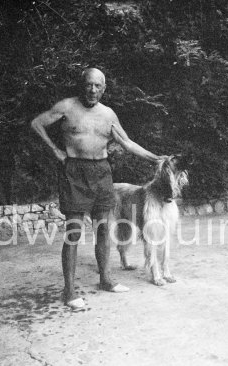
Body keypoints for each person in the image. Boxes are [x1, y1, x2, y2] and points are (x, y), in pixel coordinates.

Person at [31, 68, 163, 310]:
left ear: (104, 89)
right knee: (73, 232)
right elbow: (37, 123)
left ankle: (106, 280)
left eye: (97, 86)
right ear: (82, 85)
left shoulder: (108, 114)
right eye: (88, 85)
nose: (92, 90)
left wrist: (154, 157)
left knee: (104, 229)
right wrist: (55, 151)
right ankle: (69, 291)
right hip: (74, 172)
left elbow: (127, 142)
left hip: (102, 173)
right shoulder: (66, 107)